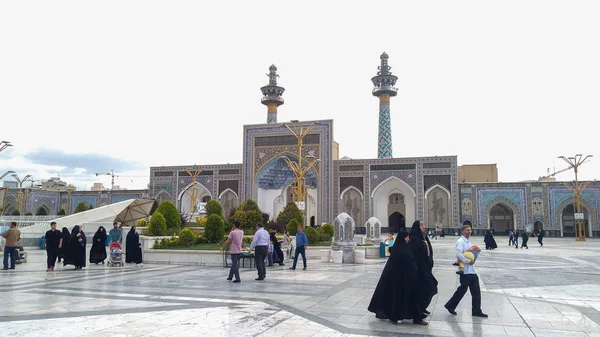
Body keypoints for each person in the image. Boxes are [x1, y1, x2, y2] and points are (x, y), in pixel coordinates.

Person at [368, 230, 427, 325]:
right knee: (398, 298)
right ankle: (395, 316)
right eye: (406, 237)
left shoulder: (406, 248)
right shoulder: (398, 250)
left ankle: (416, 317)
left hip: (408, 279)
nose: (408, 239)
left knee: (412, 298)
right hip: (399, 280)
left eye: (408, 237)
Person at [444, 225, 488, 318]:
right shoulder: (460, 242)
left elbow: (471, 255)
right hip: (464, 271)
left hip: (471, 270)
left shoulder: (469, 242)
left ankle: (476, 310)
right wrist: (468, 261)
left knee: (476, 291)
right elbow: (459, 254)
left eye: (470, 230)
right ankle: (450, 305)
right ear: (463, 232)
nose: (469, 232)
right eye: (467, 230)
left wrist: (477, 253)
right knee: (462, 290)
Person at [409, 220, 437, 317]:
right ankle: (419, 308)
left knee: (431, 287)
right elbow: (416, 254)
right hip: (419, 270)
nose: (424, 227)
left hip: (426, 269)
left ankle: (422, 307)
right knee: (428, 287)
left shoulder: (423, 237)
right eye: (422, 225)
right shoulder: (414, 239)